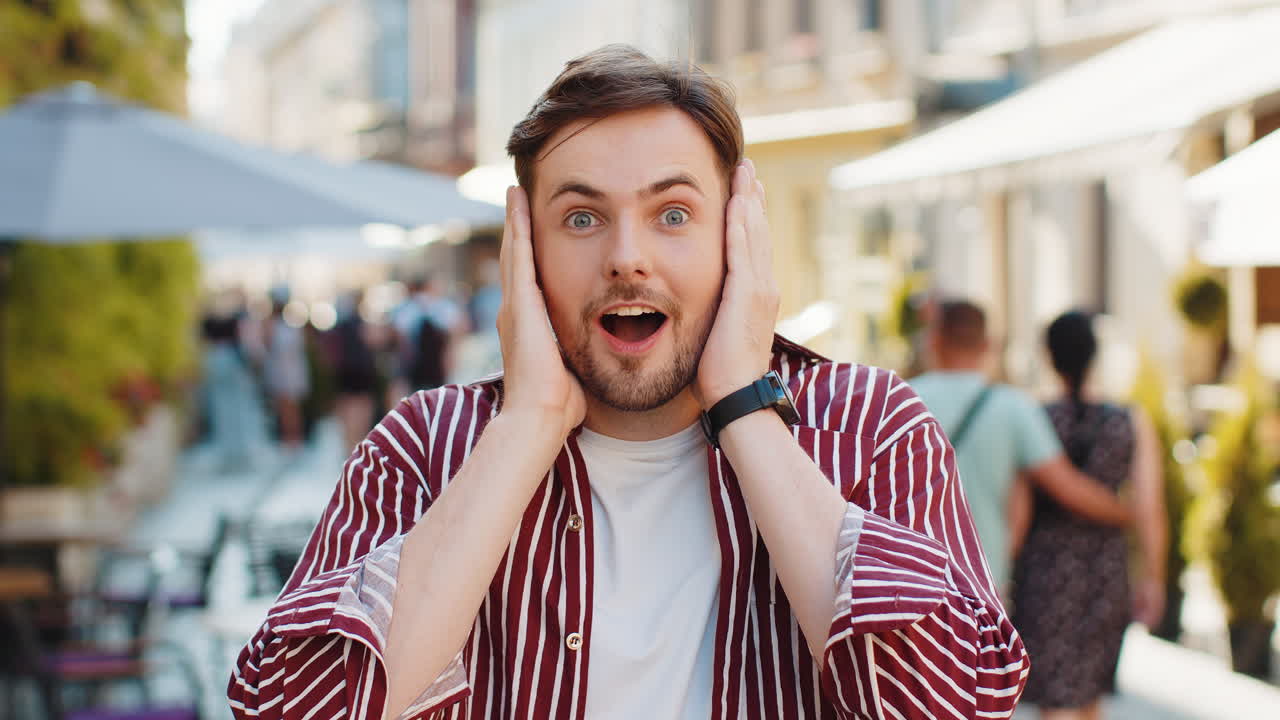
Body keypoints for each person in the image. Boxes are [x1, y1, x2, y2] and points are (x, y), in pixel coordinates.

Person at [228, 45, 1029, 720]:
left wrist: (746, 406)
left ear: (736, 231)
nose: (626, 257)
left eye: (673, 214)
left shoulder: (871, 427)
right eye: (581, 217)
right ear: (524, 246)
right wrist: (527, 424)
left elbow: (955, 702)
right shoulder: (423, 450)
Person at [910, 299, 1132, 596]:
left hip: (911, 577)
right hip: (983, 579)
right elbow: (1066, 486)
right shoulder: (1012, 407)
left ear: (934, 341)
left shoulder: (902, 400)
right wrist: (1127, 513)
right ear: (988, 345)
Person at [1012, 310, 1167, 720]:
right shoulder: (1129, 419)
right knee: (1091, 696)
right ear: (1095, 356)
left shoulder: (1033, 417)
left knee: (1058, 699)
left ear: (1049, 357)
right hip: (1106, 571)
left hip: (1044, 573)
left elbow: (1019, 508)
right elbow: (1151, 506)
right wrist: (1154, 577)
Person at [329, 290, 380, 453]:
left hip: (345, 372)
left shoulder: (341, 324)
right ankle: (357, 447)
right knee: (362, 412)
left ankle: (350, 447)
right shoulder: (362, 324)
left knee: (347, 411)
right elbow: (374, 342)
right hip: (361, 371)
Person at [261, 286, 310, 450]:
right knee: (283, 407)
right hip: (282, 370)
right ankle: (289, 438)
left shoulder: (291, 323)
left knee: (291, 407)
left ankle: (294, 439)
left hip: (290, 371)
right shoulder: (272, 325)